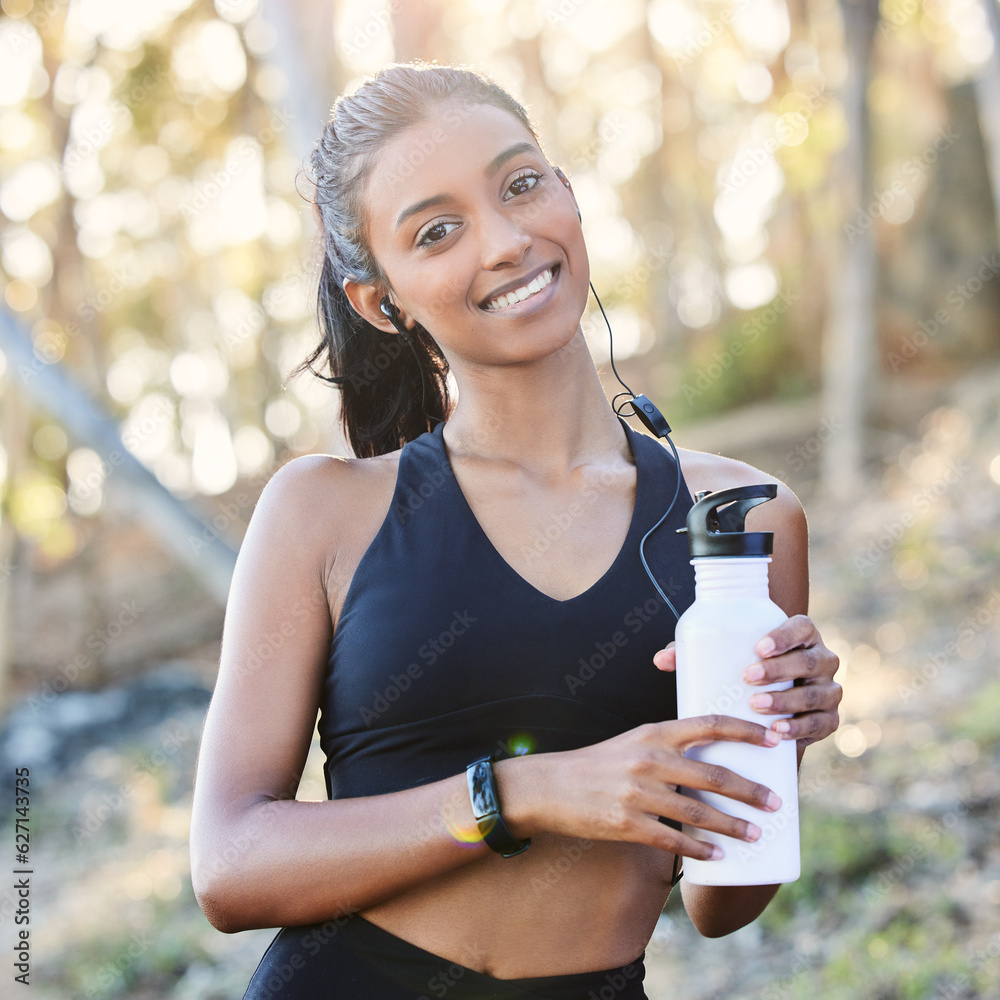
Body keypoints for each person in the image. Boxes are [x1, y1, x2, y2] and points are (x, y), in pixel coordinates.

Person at [188, 60, 842, 1000]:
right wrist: (522, 793)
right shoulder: (325, 512)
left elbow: (720, 904)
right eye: (437, 231)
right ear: (383, 300)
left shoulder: (743, 520)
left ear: (568, 193)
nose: (504, 241)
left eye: (521, 184)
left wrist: (779, 745)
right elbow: (231, 865)